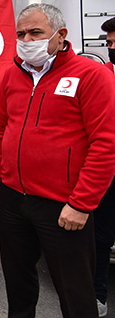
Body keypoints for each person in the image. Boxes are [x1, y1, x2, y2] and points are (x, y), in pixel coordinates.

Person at [0, 3, 115, 318]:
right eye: (21, 34)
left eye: (35, 32)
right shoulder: (12, 75)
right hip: (13, 200)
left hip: (63, 205)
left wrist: (82, 204)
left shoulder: (91, 75)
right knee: (18, 286)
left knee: (75, 294)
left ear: (60, 35)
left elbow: (106, 144)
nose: (27, 40)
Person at [93, 17, 115, 317]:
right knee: (101, 234)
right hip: (109, 168)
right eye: (109, 44)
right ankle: (97, 293)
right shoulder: (102, 76)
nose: (111, 48)